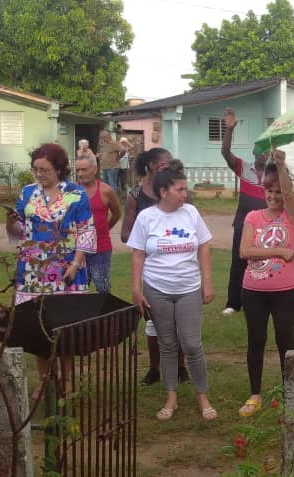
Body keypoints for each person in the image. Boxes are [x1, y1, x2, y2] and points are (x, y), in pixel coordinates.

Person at [4, 144, 95, 400]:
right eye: (35, 169)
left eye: (44, 170)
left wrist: (76, 264)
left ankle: (67, 380)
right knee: (38, 327)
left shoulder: (76, 193)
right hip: (33, 269)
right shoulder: (27, 193)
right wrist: (10, 221)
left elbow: (86, 230)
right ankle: (45, 380)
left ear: (59, 169)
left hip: (68, 268)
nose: (39, 174)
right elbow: (18, 231)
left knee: (65, 327)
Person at [128, 160, 216, 421]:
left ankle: (203, 396)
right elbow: (138, 254)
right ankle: (171, 398)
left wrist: (207, 281)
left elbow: (204, 246)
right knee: (166, 344)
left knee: (191, 344)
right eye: (180, 189)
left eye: (185, 189)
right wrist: (136, 289)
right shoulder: (146, 217)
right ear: (163, 192)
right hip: (157, 289)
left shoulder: (191, 213)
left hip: (189, 288)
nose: (185, 194)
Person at [120, 148, 190, 386]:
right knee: (153, 321)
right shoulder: (136, 195)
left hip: (178, 264)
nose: (169, 166)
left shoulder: (178, 191)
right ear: (151, 165)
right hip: (152, 266)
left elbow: (190, 223)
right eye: (164, 163)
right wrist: (150, 232)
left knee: (180, 321)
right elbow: (125, 234)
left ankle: (180, 367)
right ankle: (154, 369)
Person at [238, 149, 294, 417]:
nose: (273, 196)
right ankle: (255, 394)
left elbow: (288, 195)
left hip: (285, 292)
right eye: (268, 191)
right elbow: (245, 251)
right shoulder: (253, 217)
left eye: (278, 191)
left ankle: (292, 394)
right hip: (253, 291)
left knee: (286, 341)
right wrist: (279, 252)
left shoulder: (292, 216)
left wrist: (282, 165)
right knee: (256, 340)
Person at [221, 108, 267, 316]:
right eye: (260, 151)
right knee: (238, 263)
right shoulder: (243, 167)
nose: (263, 154)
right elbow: (225, 153)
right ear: (254, 153)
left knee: (262, 263)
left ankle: (259, 300)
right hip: (243, 223)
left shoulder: (273, 173)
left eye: (266, 151)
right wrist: (229, 130)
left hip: (265, 226)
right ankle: (233, 303)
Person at [75, 153, 121, 293]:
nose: (80, 174)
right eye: (77, 170)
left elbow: (117, 214)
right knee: (78, 290)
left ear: (94, 169)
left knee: (103, 288)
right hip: (76, 249)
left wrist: (104, 229)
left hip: (100, 249)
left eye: (84, 169)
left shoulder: (106, 190)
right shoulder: (72, 191)